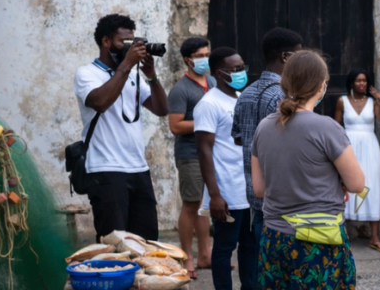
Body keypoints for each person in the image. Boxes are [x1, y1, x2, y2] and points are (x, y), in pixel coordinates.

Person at [251, 50, 364, 289]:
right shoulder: (326, 128)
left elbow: (259, 189)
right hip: (318, 241)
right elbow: (356, 184)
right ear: (321, 86)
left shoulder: (263, 127)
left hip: (275, 239)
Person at [73, 14, 169, 241]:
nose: (130, 47)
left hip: (138, 169)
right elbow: (100, 102)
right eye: (123, 43)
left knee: (146, 243)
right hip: (106, 171)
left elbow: (161, 109)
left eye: (132, 41)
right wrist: (126, 66)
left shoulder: (133, 75)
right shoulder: (87, 73)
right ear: (106, 42)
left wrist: (152, 77)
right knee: (115, 244)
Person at [231, 27, 303, 245]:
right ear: (285, 57)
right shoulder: (283, 97)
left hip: (255, 193)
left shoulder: (246, 94)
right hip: (282, 200)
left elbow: (237, 138)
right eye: (298, 55)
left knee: (262, 265)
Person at [194, 47, 252, 289]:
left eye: (242, 68)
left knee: (250, 248)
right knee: (224, 249)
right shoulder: (209, 104)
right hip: (226, 193)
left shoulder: (240, 98)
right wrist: (215, 195)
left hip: (248, 191)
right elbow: (204, 151)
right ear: (219, 73)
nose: (241, 73)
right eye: (235, 69)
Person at [167, 37, 214, 278]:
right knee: (191, 204)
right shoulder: (180, 89)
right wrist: (206, 123)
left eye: (207, 54)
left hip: (213, 154)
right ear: (187, 60)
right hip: (190, 155)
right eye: (199, 56)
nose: (205, 59)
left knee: (206, 206)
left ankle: (206, 255)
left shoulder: (214, 82)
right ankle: (187, 258)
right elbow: (175, 126)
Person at [334, 69, 380, 253]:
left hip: (370, 146)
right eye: (358, 81)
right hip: (349, 147)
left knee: (371, 186)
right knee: (347, 185)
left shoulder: (373, 102)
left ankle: (374, 237)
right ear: (352, 83)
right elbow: (336, 127)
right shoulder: (342, 101)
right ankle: (345, 233)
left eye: (364, 81)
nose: (362, 84)